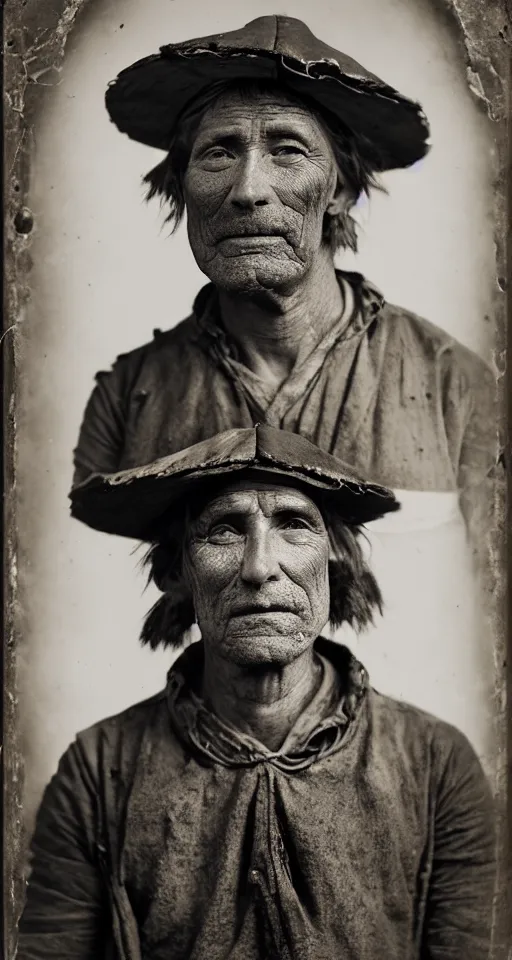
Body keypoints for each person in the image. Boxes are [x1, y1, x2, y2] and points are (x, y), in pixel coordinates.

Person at [20, 426, 496, 959]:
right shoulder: (97, 770)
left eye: (294, 524)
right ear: (177, 571)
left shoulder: (435, 764)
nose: (260, 567)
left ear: (336, 560)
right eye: (224, 530)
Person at [71, 14, 496, 566]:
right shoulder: (125, 397)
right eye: (219, 152)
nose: (248, 190)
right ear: (182, 188)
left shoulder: (454, 386)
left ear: (340, 189)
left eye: (288, 150)